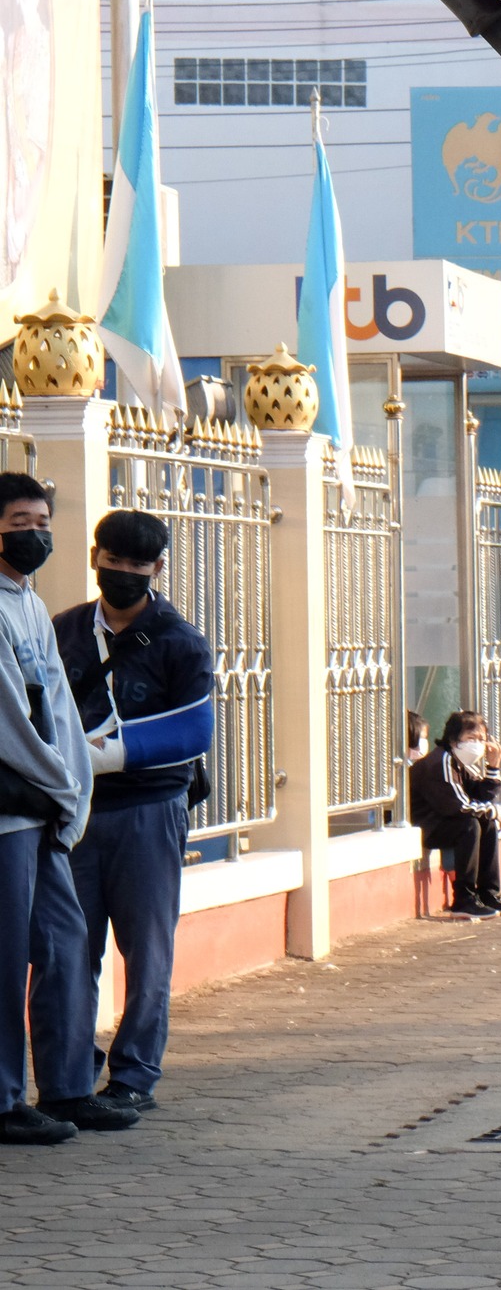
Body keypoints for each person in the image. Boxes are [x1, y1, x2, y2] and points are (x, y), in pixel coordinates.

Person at [51, 510, 215, 1112]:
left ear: (158, 569)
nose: (121, 573)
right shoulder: (63, 630)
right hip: (73, 813)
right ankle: (69, 1075)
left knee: (147, 953)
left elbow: (195, 730)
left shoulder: (180, 641)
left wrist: (112, 755)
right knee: (69, 950)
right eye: (112, 561)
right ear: (96, 557)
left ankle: (134, 1076)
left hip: (149, 808)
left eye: (136, 565)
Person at [0, 473, 140, 1142]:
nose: (34, 532)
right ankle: (3, 1099)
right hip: (11, 808)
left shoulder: (29, 603)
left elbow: (57, 709)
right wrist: (61, 783)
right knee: (6, 959)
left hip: (43, 808)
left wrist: (70, 787)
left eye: (42, 520)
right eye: (20, 520)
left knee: (64, 945)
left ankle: (65, 1087)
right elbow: (12, 723)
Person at [409, 710, 501, 920]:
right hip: (427, 825)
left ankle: (488, 893)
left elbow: (482, 796)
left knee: (487, 823)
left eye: (482, 739)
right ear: (454, 739)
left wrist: (493, 767)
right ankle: (464, 900)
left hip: (444, 821)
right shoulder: (441, 762)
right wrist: (491, 811)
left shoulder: (461, 762)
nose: (477, 744)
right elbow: (459, 806)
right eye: (471, 738)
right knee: (470, 825)